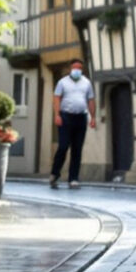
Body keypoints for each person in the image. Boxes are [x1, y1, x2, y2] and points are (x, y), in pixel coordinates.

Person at [49, 60, 93, 189]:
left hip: (81, 117)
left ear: (82, 69)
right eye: (75, 68)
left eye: (79, 68)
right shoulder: (62, 82)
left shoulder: (86, 83)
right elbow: (57, 98)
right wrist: (57, 114)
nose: (77, 70)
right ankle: (55, 174)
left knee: (77, 149)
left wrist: (93, 116)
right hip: (66, 117)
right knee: (63, 146)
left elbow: (90, 99)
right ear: (70, 69)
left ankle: (73, 178)